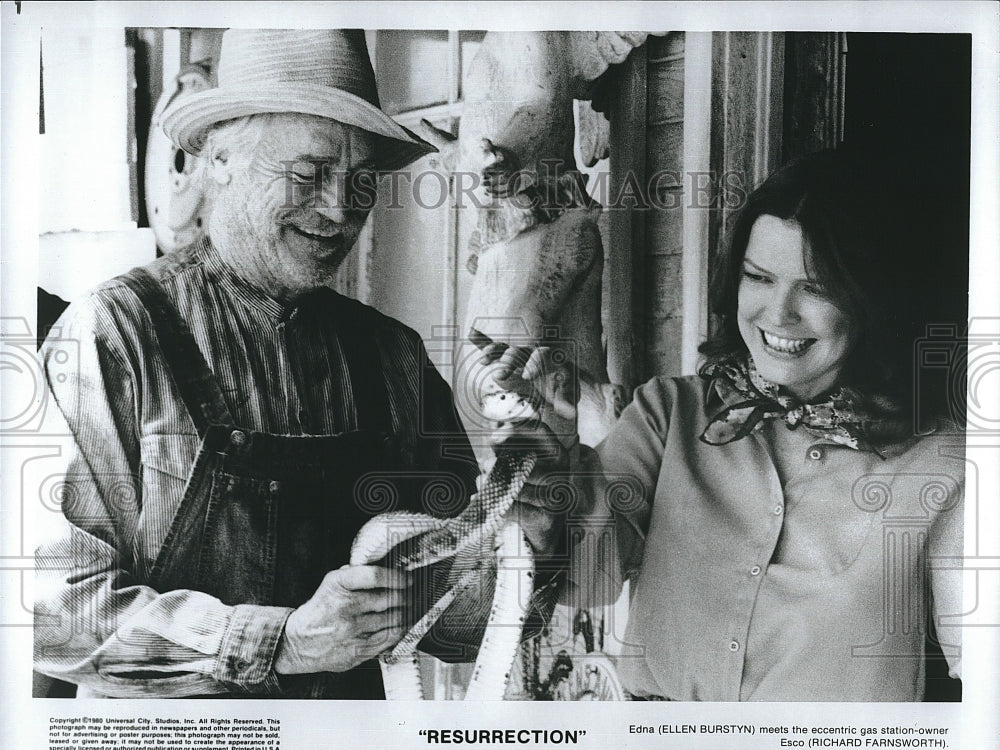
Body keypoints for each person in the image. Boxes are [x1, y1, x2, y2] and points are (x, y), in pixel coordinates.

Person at [33, 29, 484, 699]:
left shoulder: (393, 358)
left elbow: (459, 621)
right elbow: (53, 614)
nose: (339, 209)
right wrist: (286, 643)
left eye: (360, 182)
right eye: (309, 173)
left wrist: (511, 535)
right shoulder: (114, 337)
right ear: (220, 159)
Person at [494, 149, 966, 702]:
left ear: (874, 300)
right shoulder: (668, 414)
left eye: (816, 287)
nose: (778, 313)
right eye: (758, 277)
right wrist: (555, 455)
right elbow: (586, 576)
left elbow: (981, 668)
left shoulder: (945, 462)